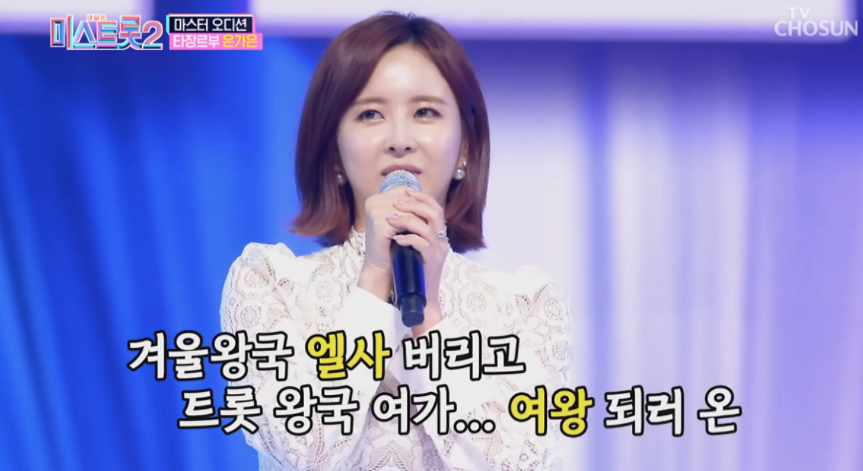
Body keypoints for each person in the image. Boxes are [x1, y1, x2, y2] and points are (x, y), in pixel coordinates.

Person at [220, 11, 575, 471]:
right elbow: (306, 450)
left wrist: (429, 318)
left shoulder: (526, 305)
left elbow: (518, 465)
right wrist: (374, 279)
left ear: (465, 148)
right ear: (333, 153)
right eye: (371, 114)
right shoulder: (271, 284)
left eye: (425, 112)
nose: (400, 139)